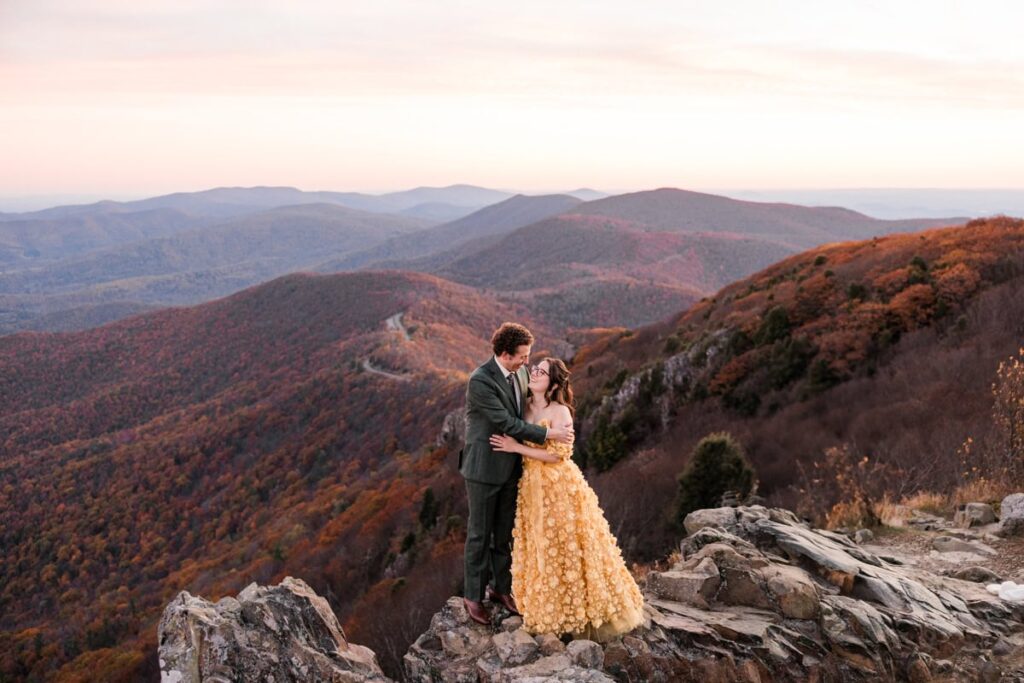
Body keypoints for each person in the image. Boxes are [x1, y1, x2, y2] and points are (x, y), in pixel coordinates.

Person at [490, 357, 646, 641]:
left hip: (558, 487)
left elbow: (557, 455)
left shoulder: (560, 411)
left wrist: (515, 448)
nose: (534, 373)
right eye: (534, 369)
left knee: (566, 545)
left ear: (552, 382)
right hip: (531, 488)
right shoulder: (522, 406)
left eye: (541, 372)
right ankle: (549, 609)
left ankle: (578, 611)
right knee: (540, 544)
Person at [460, 323, 574, 626]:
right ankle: (473, 595)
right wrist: (550, 433)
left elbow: (532, 403)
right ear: (505, 353)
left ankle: (500, 588)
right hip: (484, 469)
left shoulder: (521, 372)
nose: (527, 363)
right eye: (523, 357)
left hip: (513, 467)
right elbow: (507, 422)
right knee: (479, 535)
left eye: (529, 357)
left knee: (504, 533)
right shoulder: (481, 381)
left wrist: (556, 414)